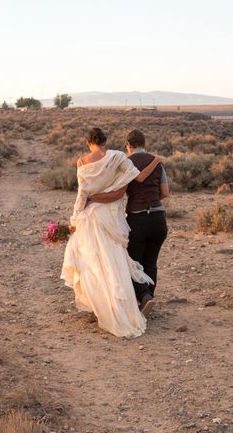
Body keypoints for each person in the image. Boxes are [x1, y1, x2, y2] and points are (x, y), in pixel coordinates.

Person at [61, 128, 163, 338]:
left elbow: (82, 196)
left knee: (94, 262)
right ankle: (126, 305)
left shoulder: (81, 162)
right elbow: (133, 182)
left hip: (89, 217)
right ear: (105, 140)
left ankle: (103, 306)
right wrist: (157, 160)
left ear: (88, 142)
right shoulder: (117, 157)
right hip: (110, 217)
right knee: (115, 261)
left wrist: (74, 219)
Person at [88, 129, 168, 318]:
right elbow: (165, 192)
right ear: (144, 144)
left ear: (128, 146)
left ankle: (144, 297)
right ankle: (148, 300)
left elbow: (118, 191)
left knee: (132, 261)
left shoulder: (126, 163)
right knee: (151, 262)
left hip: (137, 218)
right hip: (158, 218)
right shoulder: (157, 163)